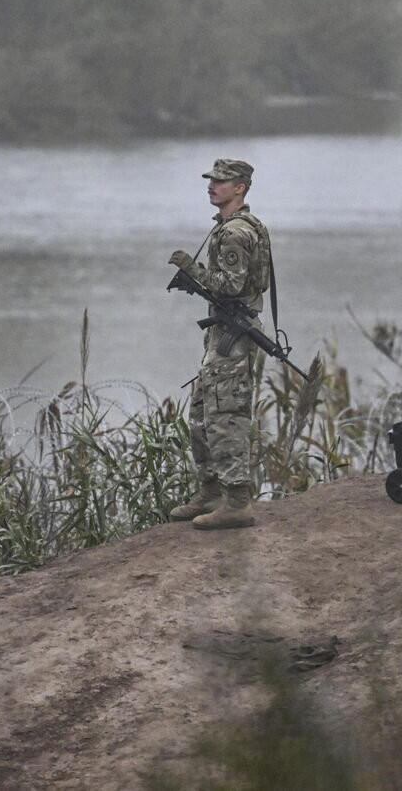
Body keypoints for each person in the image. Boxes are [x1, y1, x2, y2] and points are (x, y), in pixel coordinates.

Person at [167, 158, 270, 530]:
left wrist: (189, 267)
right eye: (211, 180)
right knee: (201, 413)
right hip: (224, 332)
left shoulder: (235, 233)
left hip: (234, 336)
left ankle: (237, 501)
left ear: (239, 188)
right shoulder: (232, 227)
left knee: (226, 414)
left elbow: (230, 287)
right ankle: (210, 491)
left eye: (221, 181)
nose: (212, 186)